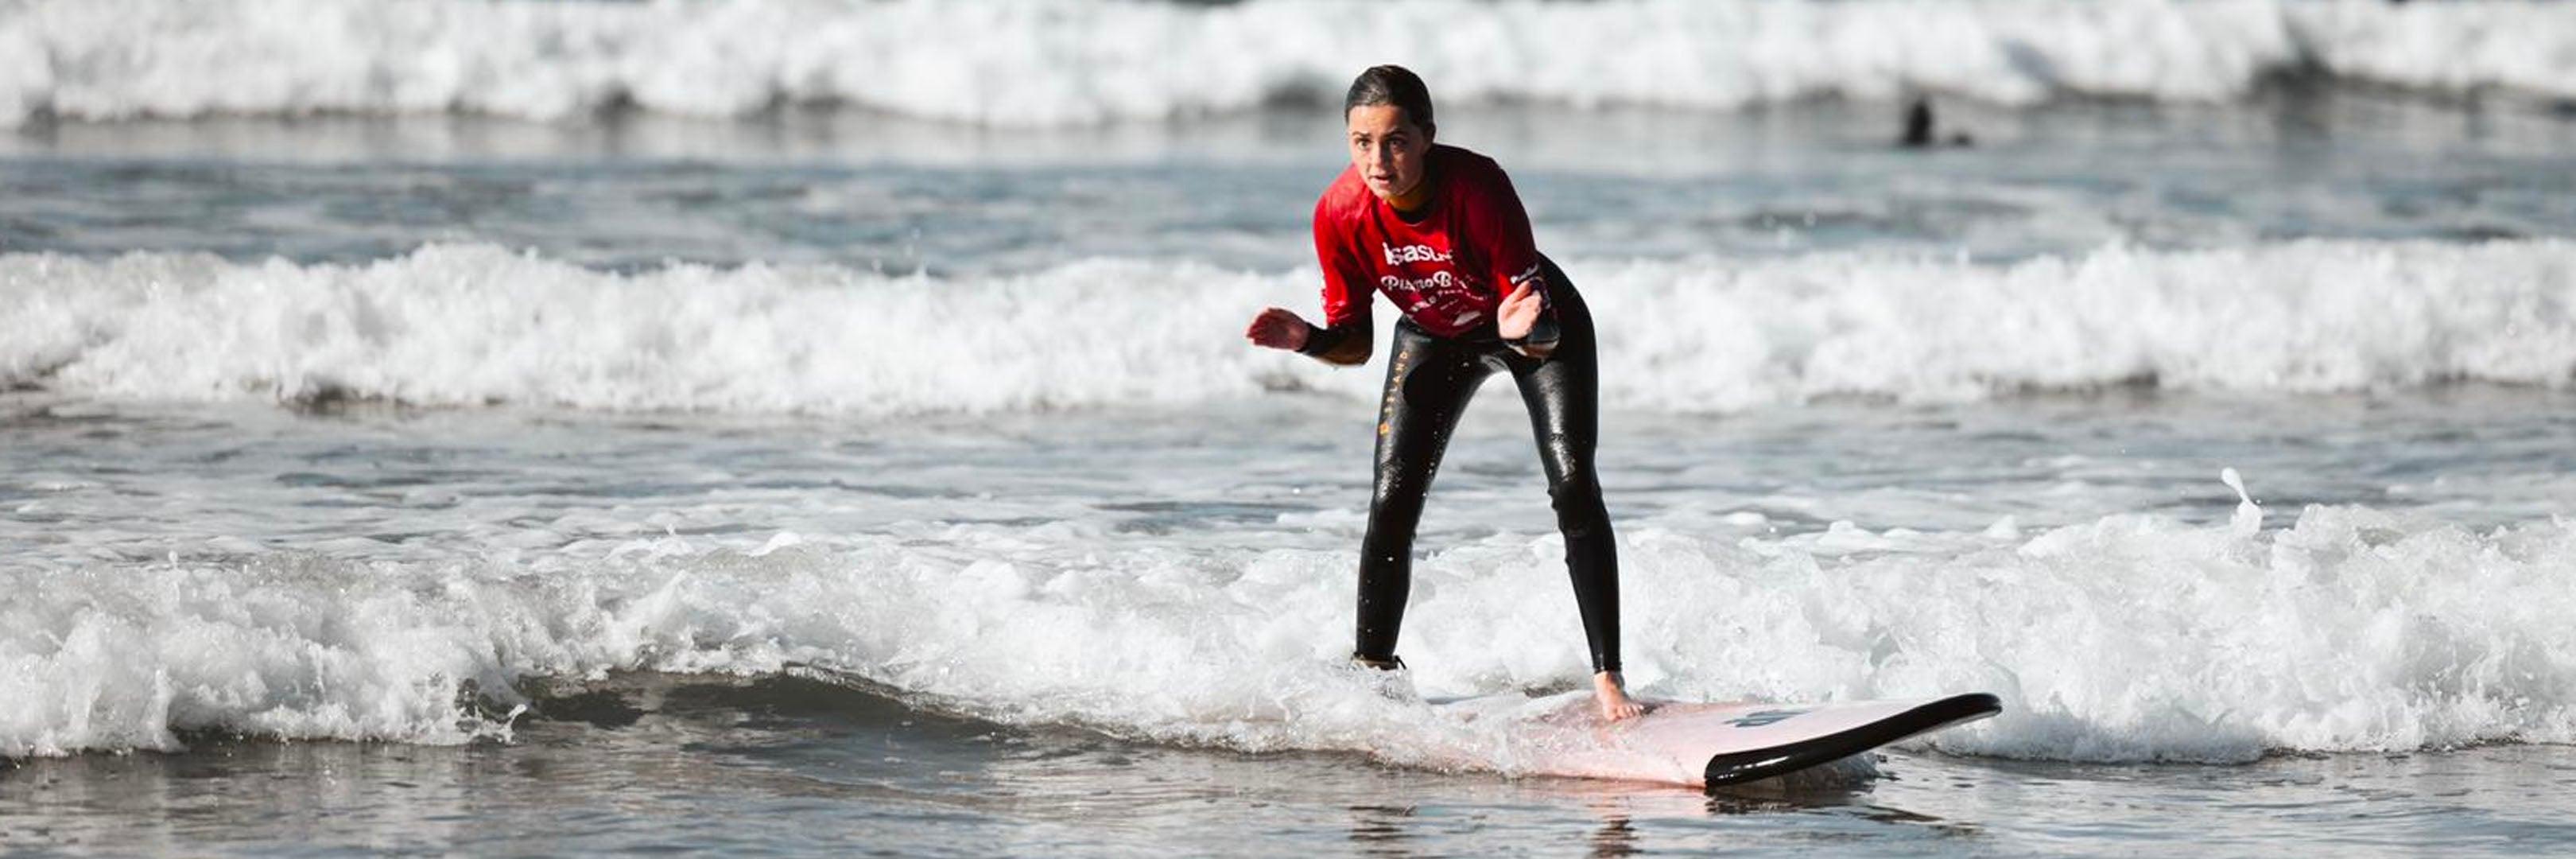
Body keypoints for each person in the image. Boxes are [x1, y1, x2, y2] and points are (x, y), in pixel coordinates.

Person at [1244, 65, 1642, 722]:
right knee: (1392, 498)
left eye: (1396, 141)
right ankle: (1373, 676)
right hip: (1431, 334)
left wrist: (1528, 331)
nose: (1379, 159)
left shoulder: (1478, 187)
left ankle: (1609, 680)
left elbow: (1535, 328)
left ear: (1427, 137)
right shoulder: (1340, 213)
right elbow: (1357, 344)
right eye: (1361, 142)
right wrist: (1309, 340)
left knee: (1573, 483)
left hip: (1529, 322)